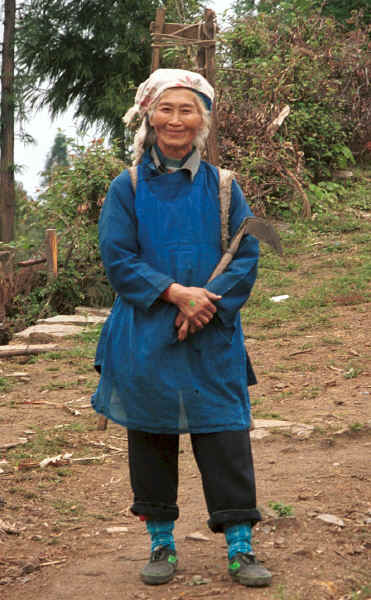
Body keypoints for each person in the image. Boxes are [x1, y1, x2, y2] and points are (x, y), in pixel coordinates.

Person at [92, 68, 272, 588]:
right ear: (148, 115)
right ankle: (162, 543)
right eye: (166, 109)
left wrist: (205, 305)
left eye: (187, 110)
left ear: (203, 121)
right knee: (151, 435)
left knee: (225, 435)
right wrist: (174, 293)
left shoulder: (223, 186)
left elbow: (246, 254)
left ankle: (241, 547)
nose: (176, 120)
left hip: (211, 335)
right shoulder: (125, 188)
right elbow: (118, 259)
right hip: (147, 332)